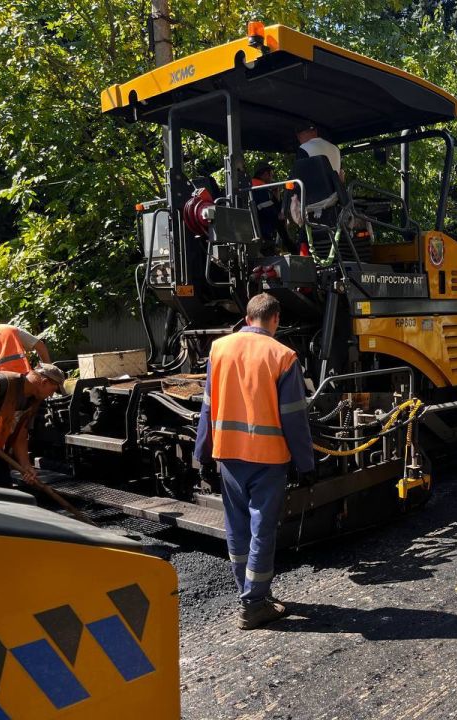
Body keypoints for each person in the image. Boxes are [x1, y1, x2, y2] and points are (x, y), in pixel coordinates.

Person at [194, 293, 315, 630]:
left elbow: (207, 407)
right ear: (274, 320)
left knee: (237, 528)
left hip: (229, 455)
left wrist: (201, 452)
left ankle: (248, 592)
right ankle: (254, 604)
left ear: (248, 318)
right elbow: (294, 418)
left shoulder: (219, 349)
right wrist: (306, 464)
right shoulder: (283, 355)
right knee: (262, 529)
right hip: (268, 458)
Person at [251, 164, 297, 254]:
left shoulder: (258, 186)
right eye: (271, 174)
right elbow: (269, 211)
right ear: (264, 174)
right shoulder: (260, 189)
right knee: (284, 234)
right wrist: (279, 216)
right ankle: (294, 251)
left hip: (262, 226)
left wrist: (276, 194)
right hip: (264, 229)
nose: (272, 177)